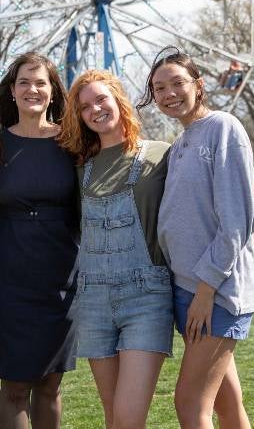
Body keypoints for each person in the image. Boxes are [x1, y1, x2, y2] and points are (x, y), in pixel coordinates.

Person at [139, 50, 254, 429]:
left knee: (190, 403)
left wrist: (206, 291)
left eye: (178, 83)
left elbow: (237, 221)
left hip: (216, 292)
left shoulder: (223, 128)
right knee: (228, 404)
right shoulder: (179, 145)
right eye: (160, 88)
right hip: (186, 288)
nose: (169, 93)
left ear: (199, 85)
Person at [58, 69, 173, 429]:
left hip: (146, 298)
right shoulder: (79, 171)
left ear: (118, 99)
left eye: (101, 99)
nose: (95, 109)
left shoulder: (162, 155)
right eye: (85, 107)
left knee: (127, 418)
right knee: (113, 417)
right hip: (93, 301)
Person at [0, 53, 79, 429]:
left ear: (53, 92)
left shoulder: (73, 143)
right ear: (12, 90)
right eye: (24, 82)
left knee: (52, 385)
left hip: (62, 275)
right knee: (15, 386)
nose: (32, 89)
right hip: (11, 274)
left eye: (41, 83)